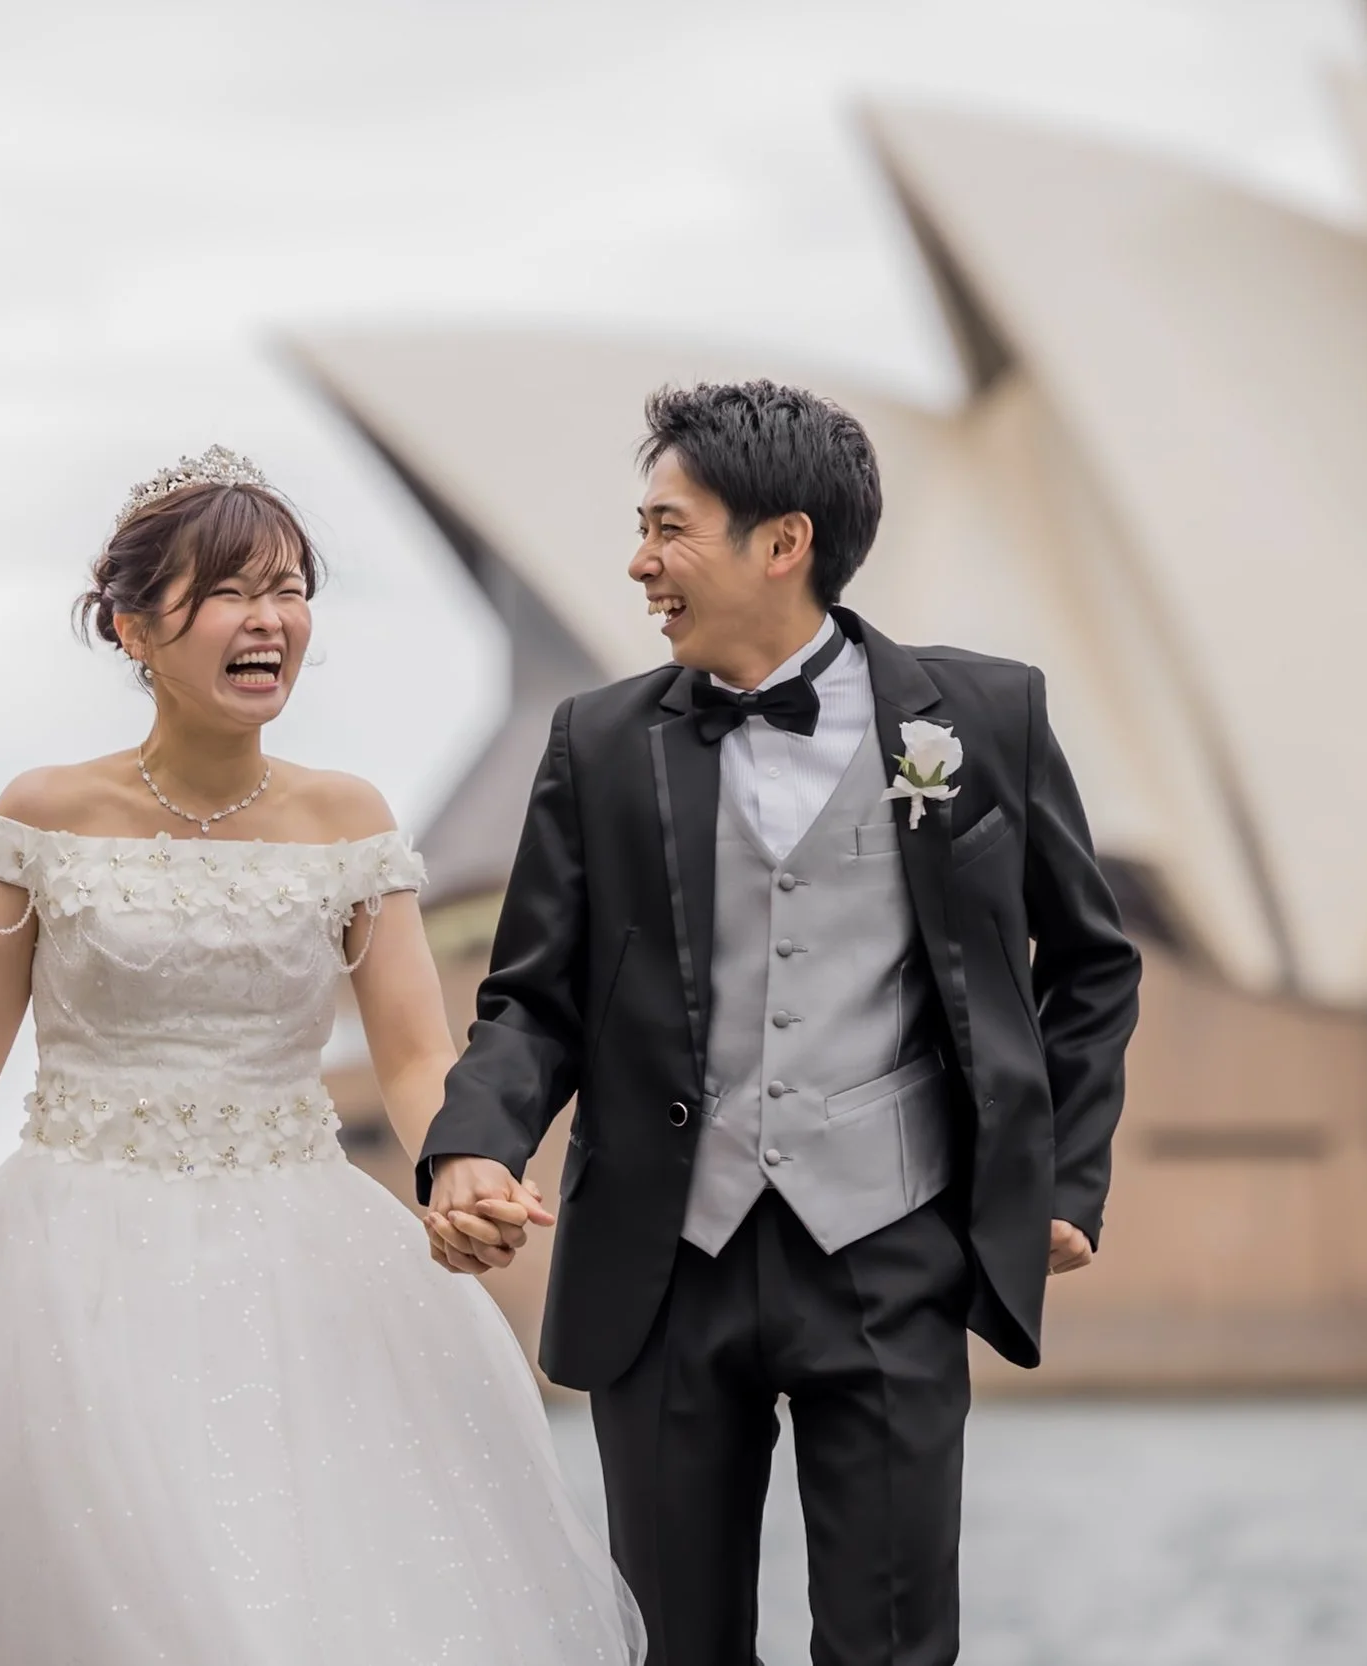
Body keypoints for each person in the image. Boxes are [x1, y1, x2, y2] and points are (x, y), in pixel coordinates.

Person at [0, 447, 643, 1666]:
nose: (269, 619)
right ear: (132, 627)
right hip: (74, 1268)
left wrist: (460, 1165)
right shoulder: (41, 818)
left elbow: (420, 1061)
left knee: (304, 1609)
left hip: (304, 1262)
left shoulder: (350, 820)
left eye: (291, 587)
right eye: (226, 591)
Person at [420, 383, 1142, 1665]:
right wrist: (475, 1143)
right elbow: (532, 996)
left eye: (666, 526)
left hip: (892, 1248)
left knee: (892, 1644)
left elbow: (1090, 965)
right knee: (675, 1646)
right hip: (663, 1257)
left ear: (782, 540)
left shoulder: (980, 721)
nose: (639, 562)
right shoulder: (596, 743)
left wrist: (1064, 1175)